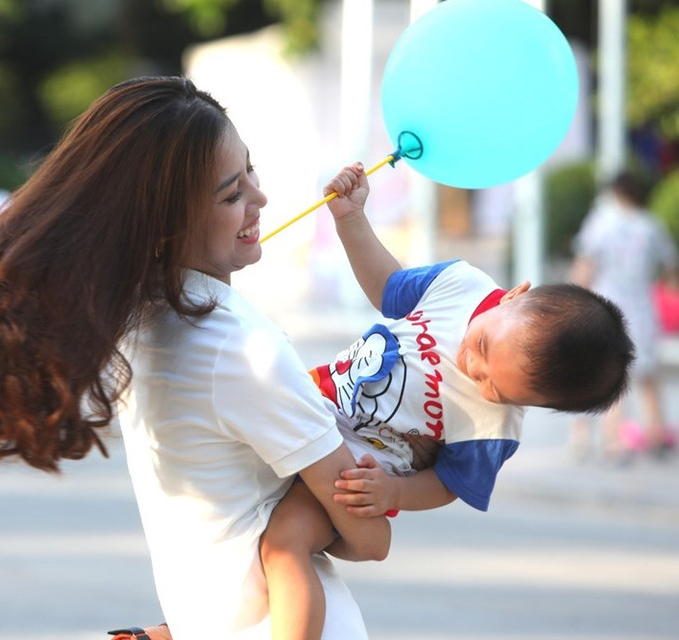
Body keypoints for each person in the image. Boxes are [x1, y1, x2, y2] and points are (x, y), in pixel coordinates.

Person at [0, 76, 393, 640]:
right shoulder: (246, 349)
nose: (259, 198)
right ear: (165, 222)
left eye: (251, 172)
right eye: (230, 195)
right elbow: (371, 539)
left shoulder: (129, 323)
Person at [258, 163, 636, 640]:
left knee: (283, 545)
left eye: (496, 388)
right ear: (513, 296)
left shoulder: (492, 430)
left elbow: (448, 482)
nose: (472, 369)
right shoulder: (460, 284)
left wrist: (392, 495)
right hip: (313, 401)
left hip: (354, 472)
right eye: (482, 348)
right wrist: (351, 221)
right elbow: (387, 287)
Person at [568, 171, 679, 462]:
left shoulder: (601, 223)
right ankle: (656, 436)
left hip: (607, 308)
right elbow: (670, 271)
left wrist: (572, 301)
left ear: (615, 192)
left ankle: (613, 441)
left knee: (610, 373)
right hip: (642, 308)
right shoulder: (651, 225)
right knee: (648, 376)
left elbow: (585, 267)